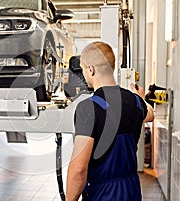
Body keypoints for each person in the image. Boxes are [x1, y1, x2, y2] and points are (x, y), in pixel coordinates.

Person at [66, 41, 154, 201]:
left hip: (103, 193)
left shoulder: (88, 108)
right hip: (132, 191)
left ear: (91, 70)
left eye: (83, 69)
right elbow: (151, 114)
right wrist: (141, 97)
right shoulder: (135, 102)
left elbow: (78, 169)